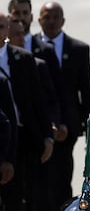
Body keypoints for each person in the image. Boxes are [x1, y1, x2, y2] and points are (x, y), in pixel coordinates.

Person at [36, 1, 90, 210]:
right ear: (39, 20)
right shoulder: (29, 46)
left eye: (55, 17)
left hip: (68, 127)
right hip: (39, 125)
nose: (51, 22)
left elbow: (86, 91)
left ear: (63, 20)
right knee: (40, 180)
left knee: (62, 177)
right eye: (47, 17)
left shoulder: (78, 49)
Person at [0, 12, 53, 211]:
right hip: (2, 137)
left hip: (24, 136)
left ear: (7, 30)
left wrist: (47, 135)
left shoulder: (23, 58)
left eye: (1, 26)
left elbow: (38, 100)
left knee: (24, 194)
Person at [8, 0, 68, 143]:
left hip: (37, 130)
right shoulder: (3, 56)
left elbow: (55, 93)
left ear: (32, 16)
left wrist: (56, 123)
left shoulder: (44, 52)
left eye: (25, 13)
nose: (21, 18)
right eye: (17, 14)